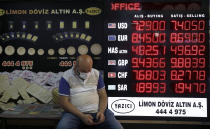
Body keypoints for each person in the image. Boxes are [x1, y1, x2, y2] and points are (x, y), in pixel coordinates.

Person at [56, 55, 124, 129]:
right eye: (83, 71)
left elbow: (103, 96)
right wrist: (82, 116)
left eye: (89, 70)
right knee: (63, 127)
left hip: (97, 111)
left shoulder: (96, 74)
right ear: (76, 65)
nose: (86, 73)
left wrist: (101, 112)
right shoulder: (66, 76)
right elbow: (64, 102)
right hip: (74, 114)